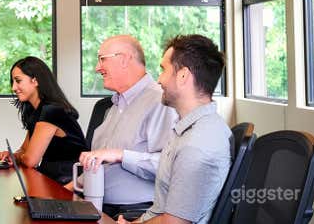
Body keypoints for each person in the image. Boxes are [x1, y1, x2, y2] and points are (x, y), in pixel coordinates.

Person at [117, 34, 231, 224]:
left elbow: (173, 223)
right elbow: (160, 213)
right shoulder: (187, 130)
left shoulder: (197, 144)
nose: (159, 80)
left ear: (183, 75)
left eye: (163, 70)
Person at [69, 35, 177, 220]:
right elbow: (101, 163)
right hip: (96, 205)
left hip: (133, 213)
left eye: (102, 59)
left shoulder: (160, 101)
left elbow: (171, 167)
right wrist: (66, 189)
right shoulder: (114, 106)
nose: (97, 67)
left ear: (125, 59)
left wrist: (121, 155)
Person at [0, 56, 88, 184]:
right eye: (13, 82)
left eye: (18, 81)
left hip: (68, 182)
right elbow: (24, 151)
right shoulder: (37, 111)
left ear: (35, 81)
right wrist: (12, 156)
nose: (14, 87)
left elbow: (30, 160)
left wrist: (20, 157)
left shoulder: (51, 111)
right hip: (52, 176)